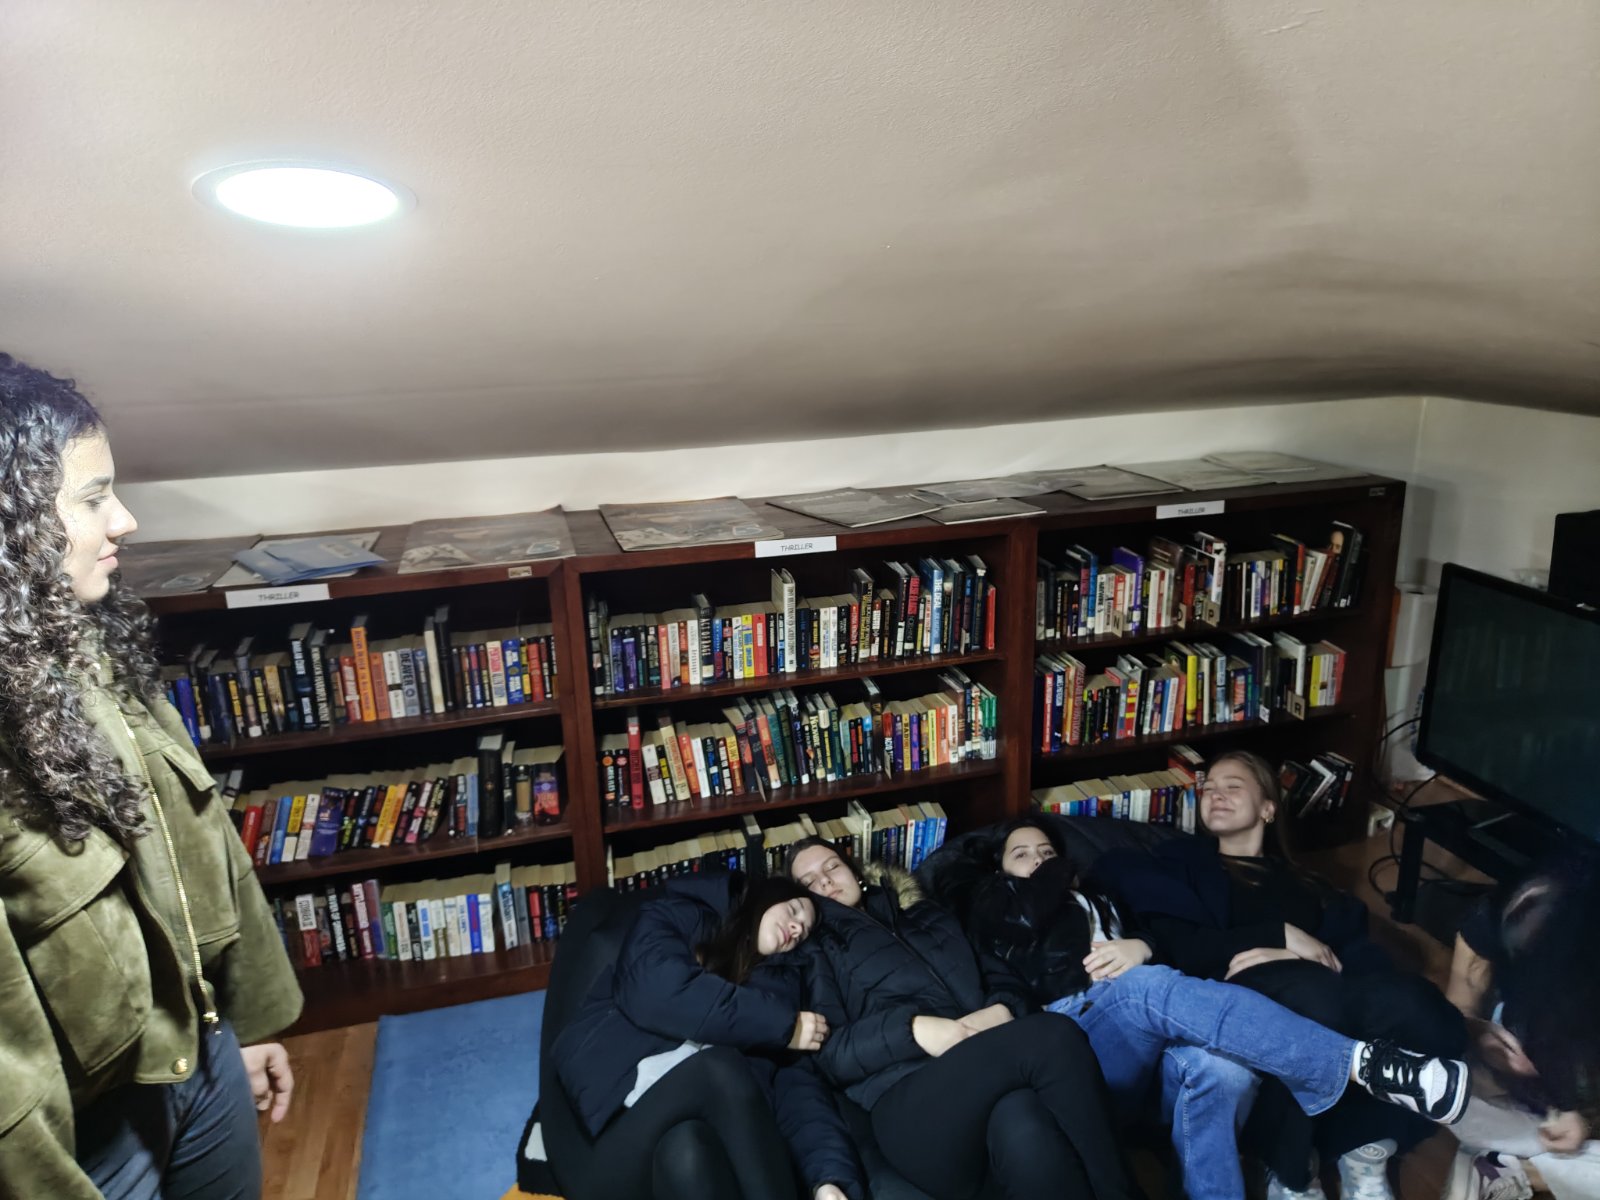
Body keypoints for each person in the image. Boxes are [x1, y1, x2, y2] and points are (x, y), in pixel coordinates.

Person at [0, 353, 303, 1200]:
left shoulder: (86, 647)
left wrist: (243, 1022)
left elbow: (200, 844)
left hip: (200, 1053)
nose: (125, 520)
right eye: (93, 498)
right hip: (84, 1138)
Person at [960, 815, 1474, 1200]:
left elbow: (1170, 940)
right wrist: (1055, 872)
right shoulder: (996, 906)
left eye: (1047, 850)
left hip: (1147, 1039)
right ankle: (1363, 1065)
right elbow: (1016, 953)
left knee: (1223, 1070)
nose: (1039, 859)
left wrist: (1142, 944)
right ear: (998, 870)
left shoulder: (1100, 897)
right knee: (1144, 987)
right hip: (1074, 1033)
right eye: (1022, 854)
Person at [1095, 749, 1471, 1200]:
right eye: (1208, 788)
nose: (1216, 794)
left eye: (1233, 786)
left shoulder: (1308, 885)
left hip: (1322, 987)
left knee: (1420, 1005)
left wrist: (1305, 957)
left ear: (1268, 808)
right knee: (1318, 999)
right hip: (1229, 998)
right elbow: (1176, 943)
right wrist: (1278, 936)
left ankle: (1362, 1146)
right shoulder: (1181, 862)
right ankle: (1292, 1170)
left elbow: (1354, 959)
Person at [549, 872, 863, 1200]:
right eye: (794, 910)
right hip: (611, 1134)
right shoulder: (678, 915)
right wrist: (782, 1026)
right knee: (719, 1068)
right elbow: (655, 991)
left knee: (690, 1154)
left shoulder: (782, 996)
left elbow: (798, 1092)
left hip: (681, 1159)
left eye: (804, 932)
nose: (796, 928)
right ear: (766, 897)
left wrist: (829, 1178)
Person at [1441, 855, 1600, 1200]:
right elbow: (1458, 1006)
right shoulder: (1502, 915)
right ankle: (1512, 1159)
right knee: (1448, 1081)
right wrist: (1476, 1032)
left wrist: (1579, 1115)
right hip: (1512, 1085)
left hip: (1579, 1086)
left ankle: (1517, 1167)